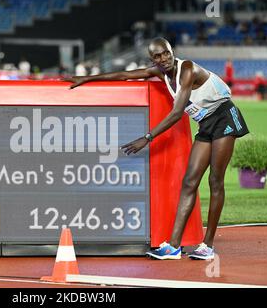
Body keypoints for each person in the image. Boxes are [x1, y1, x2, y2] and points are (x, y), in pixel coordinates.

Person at [64, 37, 249, 260]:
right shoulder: (161, 73)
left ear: (172, 51)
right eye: (157, 56)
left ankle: (208, 246)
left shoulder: (187, 69)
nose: (164, 59)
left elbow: (177, 112)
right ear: (153, 60)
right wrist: (88, 78)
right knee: (190, 181)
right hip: (206, 124)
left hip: (224, 117)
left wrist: (147, 137)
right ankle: (173, 247)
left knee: (215, 181)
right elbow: (125, 75)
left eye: (166, 53)